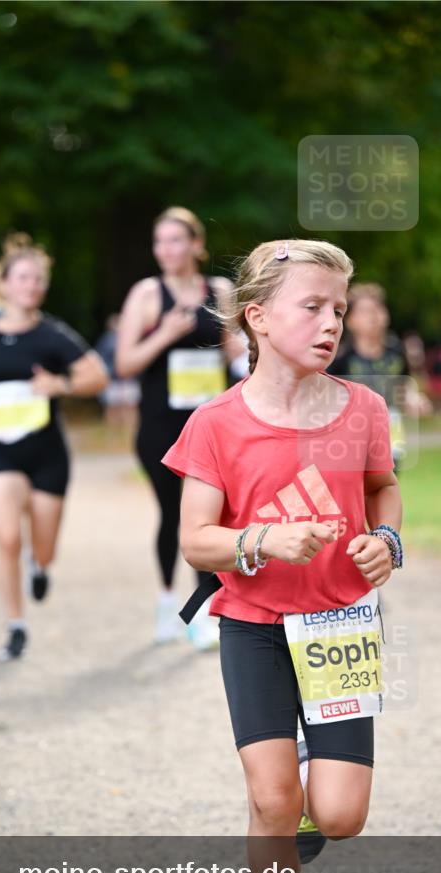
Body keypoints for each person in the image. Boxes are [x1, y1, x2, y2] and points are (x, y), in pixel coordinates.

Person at [163, 239, 402, 873]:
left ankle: (298, 797)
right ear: (258, 318)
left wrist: (386, 541)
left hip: (340, 627)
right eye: (313, 307)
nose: (331, 322)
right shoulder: (216, 423)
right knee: (271, 798)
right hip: (254, 627)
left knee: (336, 816)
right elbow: (195, 541)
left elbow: (382, 489)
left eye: (338, 308)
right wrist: (259, 538)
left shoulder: (361, 408)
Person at [0, 237, 108, 661]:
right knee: (6, 537)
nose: (32, 285)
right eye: (23, 277)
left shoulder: (53, 335)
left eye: (39, 279)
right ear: (5, 284)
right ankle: (15, 625)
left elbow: (97, 376)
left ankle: (41, 566)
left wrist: (59, 384)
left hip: (46, 455)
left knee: (43, 546)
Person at [115, 206, 244, 649]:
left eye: (175, 240)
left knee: (207, 516)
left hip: (211, 424)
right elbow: (125, 363)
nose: (166, 249)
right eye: (159, 241)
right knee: (173, 514)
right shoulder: (146, 294)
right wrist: (165, 333)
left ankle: (202, 614)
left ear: (195, 245)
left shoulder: (220, 290)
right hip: (160, 424)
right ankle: (167, 605)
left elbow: (234, 353)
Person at [328, 282, 429, 467]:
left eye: (378, 309)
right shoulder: (341, 358)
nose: (373, 316)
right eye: (365, 311)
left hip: (390, 428)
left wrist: (414, 398)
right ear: (350, 320)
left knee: (388, 482)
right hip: (353, 432)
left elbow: (404, 386)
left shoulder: (396, 353)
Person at [94, 313, 140, 430]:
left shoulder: (128, 340)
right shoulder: (107, 341)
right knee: (113, 407)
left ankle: (127, 431)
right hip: (115, 380)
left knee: (129, 406)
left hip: (127, 379)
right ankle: (115, 431)